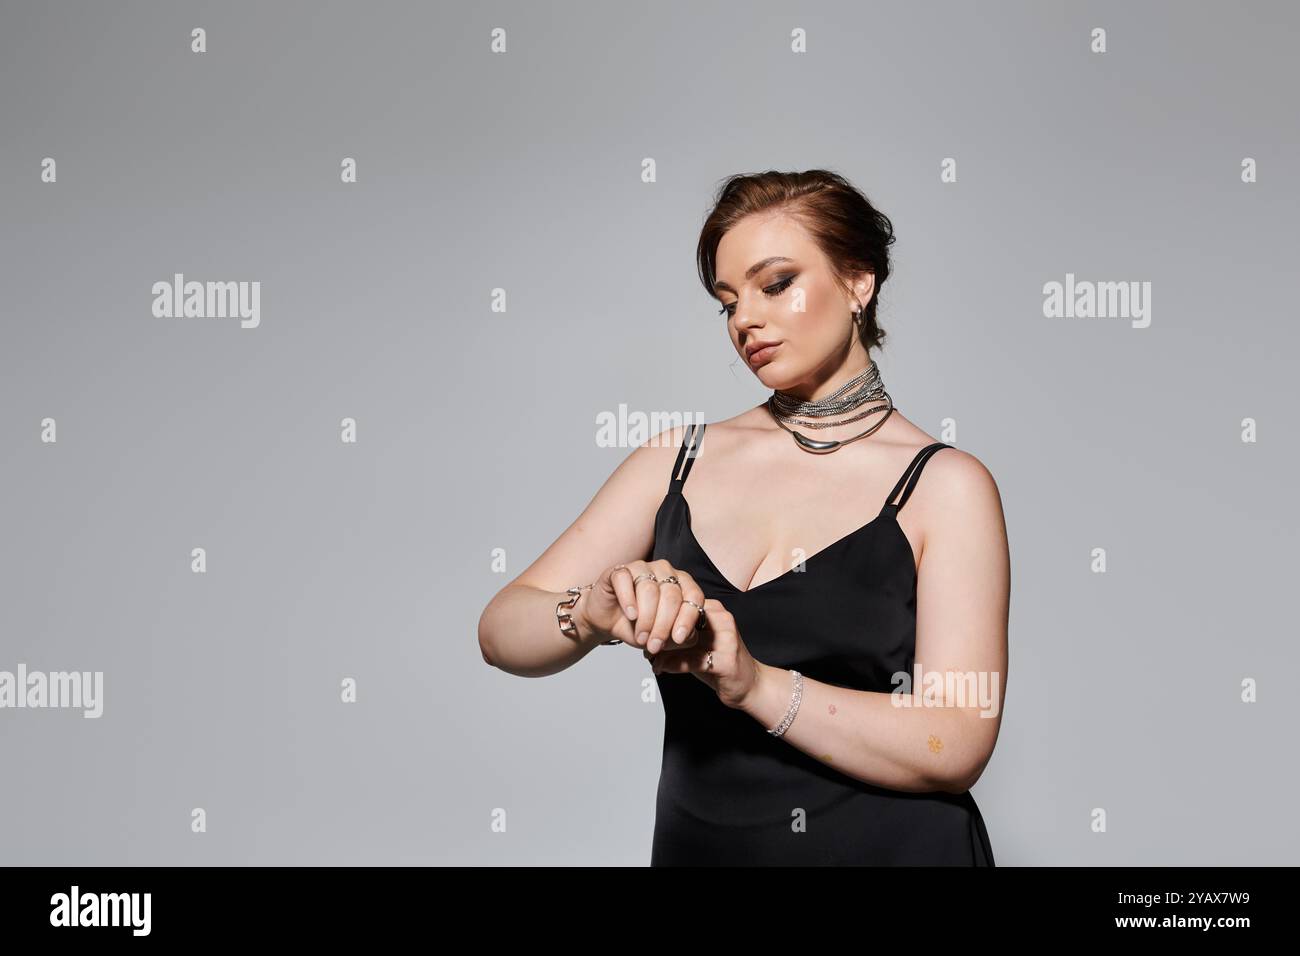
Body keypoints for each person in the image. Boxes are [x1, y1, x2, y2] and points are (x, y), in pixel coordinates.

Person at [478, 169, 1009, 865]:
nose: (745, 320)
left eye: (776, 284)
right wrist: (591, 609)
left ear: (859, 282)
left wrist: (756, 685)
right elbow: (500, 628)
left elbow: (958, 741)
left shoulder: (946, 486)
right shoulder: (676, 460)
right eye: (727, 302)